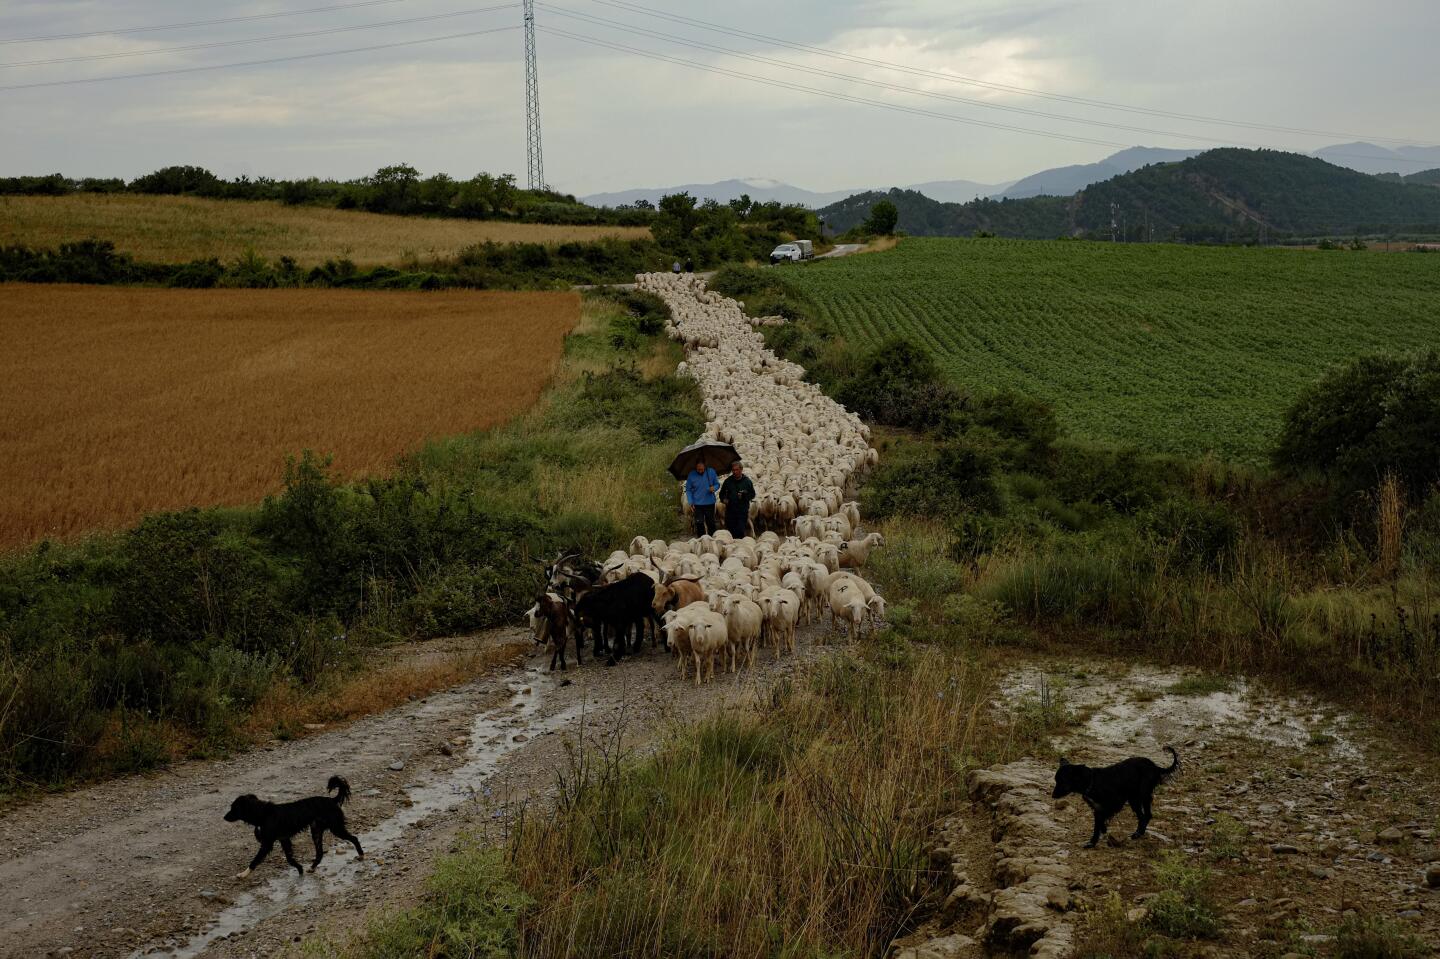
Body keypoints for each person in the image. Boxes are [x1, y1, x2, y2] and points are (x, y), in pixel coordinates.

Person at [718, 460, 755, 540]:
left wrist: (744, 496)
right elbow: (721, 494)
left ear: (741, 469)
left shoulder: (747, 482)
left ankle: (740, 547)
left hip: (742, 510)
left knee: (740, 530)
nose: (735, 472)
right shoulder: (728, 481)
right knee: (731, 532)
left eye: (736, 470)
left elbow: (752, 494)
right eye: (733, 470)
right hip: (730, 510)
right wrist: (724, 499)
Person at [685, 457, 719, 536]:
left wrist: (714, 488)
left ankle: (712, 539)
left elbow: (717, 484)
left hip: (710, 503)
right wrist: (690, 501)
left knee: (711, 523)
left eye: (702, 469)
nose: (700, 471)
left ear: (705, 466)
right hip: (697, 504)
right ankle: (701, 540)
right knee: (699, 523)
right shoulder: (691, 475)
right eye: (698, 469)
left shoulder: (711, 472)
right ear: (695, 467)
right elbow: (688, 490)